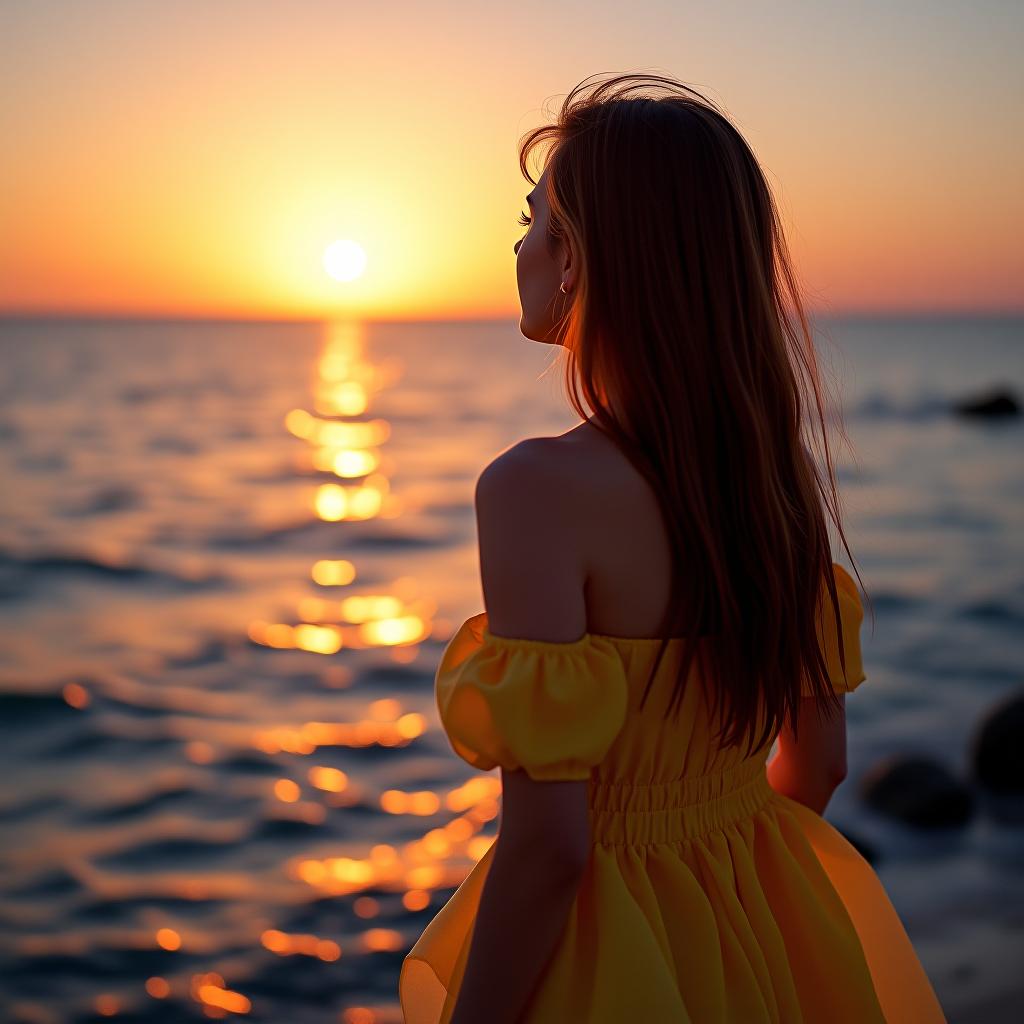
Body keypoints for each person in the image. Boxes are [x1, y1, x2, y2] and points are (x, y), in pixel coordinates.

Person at [400, 71, 946, 1023]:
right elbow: (816, 767)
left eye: (534, 220)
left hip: (608, 958)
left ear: (581, 260)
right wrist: (714, 863)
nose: (519, 244)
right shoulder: (771, 483)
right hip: (762, 923)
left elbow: (552, 848)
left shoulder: (535, 490)